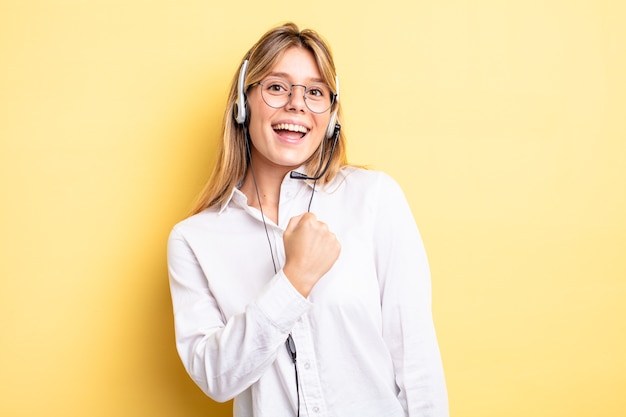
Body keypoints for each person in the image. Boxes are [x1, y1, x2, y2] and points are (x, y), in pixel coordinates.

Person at [167, 22, 449, 417]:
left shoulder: (373, 199)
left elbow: (416, 358)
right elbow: (216, 378)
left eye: (315, 92)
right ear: (243, 105)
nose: (297, 104)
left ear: (331, 115)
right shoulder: (193, 240)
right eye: (277, 87)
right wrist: (294, 279)